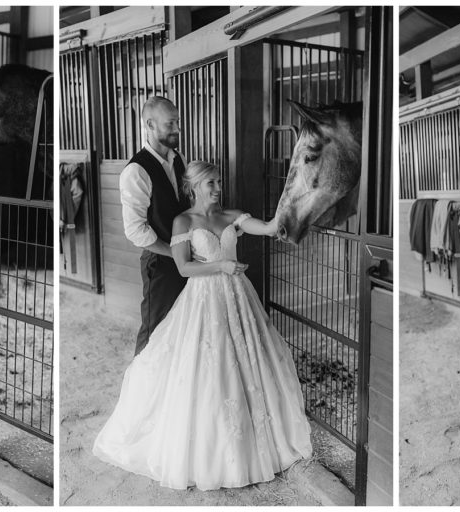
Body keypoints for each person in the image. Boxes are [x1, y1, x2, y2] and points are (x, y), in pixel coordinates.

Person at [94, 161, 313, 490]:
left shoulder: (231, 216)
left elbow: (267, 228)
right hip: (203, 299)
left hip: (238, 297)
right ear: (193, 187)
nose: (217, 188)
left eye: (219, 181)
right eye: (210, 183)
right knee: (209, 365)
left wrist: (291, 202)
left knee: (248, 358)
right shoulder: (184, 221)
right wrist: (221, 265)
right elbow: (183, 268)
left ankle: (257, 434)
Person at [119, 96, 188, 355]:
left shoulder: (177, 158)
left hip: (184, 257)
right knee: (153, 330)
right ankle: (137, 391)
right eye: (171, 123)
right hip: (159, 263)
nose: (178, 129)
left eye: (178, 122)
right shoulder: (135, 172)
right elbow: (135, 230)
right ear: (150, 124)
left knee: (179, 325)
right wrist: (175, 253)